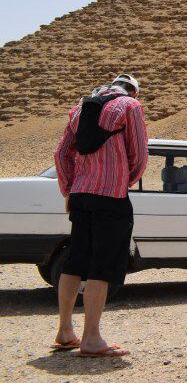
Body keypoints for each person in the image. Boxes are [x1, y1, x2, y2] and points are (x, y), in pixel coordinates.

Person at [52, 74, 147, 357]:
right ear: (133, 92)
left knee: (75, 262)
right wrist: (122, 180)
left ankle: (65, 331)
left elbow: (61, 154)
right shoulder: (130, 106)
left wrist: (69, 188)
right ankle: (91, 339)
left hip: (80, 196)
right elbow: (140, 155)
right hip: (111, 197)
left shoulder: (80, 109)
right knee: (102, 266)